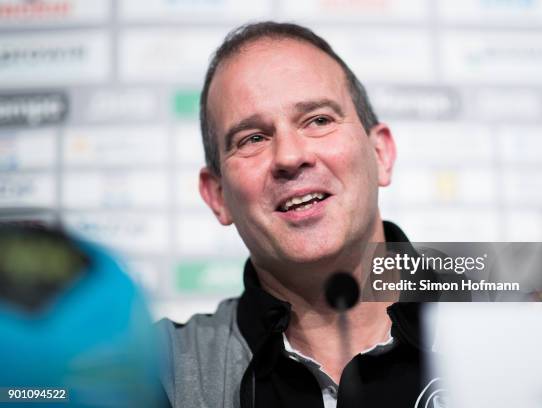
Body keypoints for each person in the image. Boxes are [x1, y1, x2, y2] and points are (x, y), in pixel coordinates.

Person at [157, 21, 437, 408]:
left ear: (380, 154)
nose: (290, 157)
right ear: (217, 196)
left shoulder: (525, 323)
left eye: (318, 120)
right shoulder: (153, 373)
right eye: (252, 138)